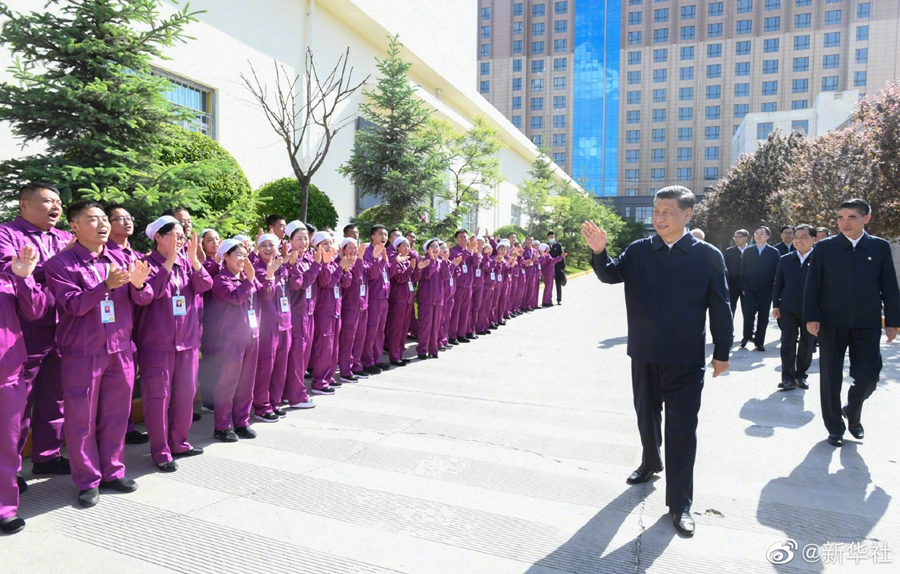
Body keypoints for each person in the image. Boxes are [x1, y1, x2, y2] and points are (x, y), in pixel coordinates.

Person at [582, 186, 732, 538]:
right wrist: (600, 252)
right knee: (646, 416)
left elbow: (720, 306)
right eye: (656, 211)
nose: (659, 218)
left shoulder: (707, 256)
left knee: (682, 431)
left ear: (687, 214)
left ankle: (679, 504)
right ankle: (650, 462)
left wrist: (722, 353)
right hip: (644, 353)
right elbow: (610, 274)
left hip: (685, 359)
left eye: (667, 212)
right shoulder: (639, 250)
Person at [45, 200, 153, 508]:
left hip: (120, 348)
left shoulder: (122, 258)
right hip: (83, 351)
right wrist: (104, 286)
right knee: (81, 419)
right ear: (74, 226)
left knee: (117, 414)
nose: (103, 224)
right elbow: (72, 305)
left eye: (105, 218)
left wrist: (139, 285)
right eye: (93, 219)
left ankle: (113, 472)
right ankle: (87, 480)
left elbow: (144, 298)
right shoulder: (60, 264)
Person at [804, 198, 900, 447]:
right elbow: (812, 285)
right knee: (830, 378)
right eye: (840, 217)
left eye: (852, 217)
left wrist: (892, 321)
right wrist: (811, 316)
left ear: (866, 218)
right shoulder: (824, 248)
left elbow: (889, 286)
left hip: (867, 322)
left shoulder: (879, 247)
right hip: (831, 323)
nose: (844, 223)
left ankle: (852, 411)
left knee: (869, 376)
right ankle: (835, 427)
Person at [0, 182, 72, 478]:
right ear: (24, 205)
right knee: (19, 403)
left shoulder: (65, 237)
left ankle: (47, 456)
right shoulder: (7, 233)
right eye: (47, 201)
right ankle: (11, 471)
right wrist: (55, 265)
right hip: (25, 330)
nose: (56, 207)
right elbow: (11, 270)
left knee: (55, 396)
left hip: (63, 328)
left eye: (58, 202)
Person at [135, 217, 211, 471]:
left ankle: (179, 442)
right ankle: (160, 451)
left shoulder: (186, 263)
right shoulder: (145, 264)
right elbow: (146, 296)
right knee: (158, 398)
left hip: (187, 342)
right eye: (175, 236)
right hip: (157, 344)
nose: (180, 241)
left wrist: (194, 260)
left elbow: (205, 285)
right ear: (158, 237)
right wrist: (168, 262)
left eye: (182, 237)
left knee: (185, 394)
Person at [1, 245, 49, 534]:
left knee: (6, 446)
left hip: (7, 374)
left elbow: (35, 311)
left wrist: (24, 278)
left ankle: (4, 509)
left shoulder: (10, 275)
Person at [203, 238, 270, 443]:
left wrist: (269, 275)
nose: (243, 259)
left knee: (246, 382)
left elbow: (266, 294)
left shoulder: (247, 277)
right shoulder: (220, 280)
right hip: (231, 338)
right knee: (228, 382)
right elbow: (236, 298)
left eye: (244, 254)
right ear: (226, 256)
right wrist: (249, 279)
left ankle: (241, 422)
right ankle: (222, 426)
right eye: (238, 255)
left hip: (251, 335)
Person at [104, 204, 150, 445]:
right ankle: (107, 433)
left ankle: (126, 426)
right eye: (119, 218)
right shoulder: (103, 255)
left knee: (126, 384)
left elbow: (146, 295)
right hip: (107, 330)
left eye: (128, 217)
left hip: (132, 329)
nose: (127, 221)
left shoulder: (137, 257)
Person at [252, 234, 294, 423]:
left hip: (284, 324)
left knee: (280, 366)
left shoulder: (282, 267)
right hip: (267, 326)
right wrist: (271, 273)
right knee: (265, 367)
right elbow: (266, 295)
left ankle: (274, 402)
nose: (268, 249)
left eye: (272, 245)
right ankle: (262, 406)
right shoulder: (257, 269)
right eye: (263, 245)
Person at [772, 225, 816, 391]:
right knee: (787, 342)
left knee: (807, 344)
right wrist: (776, 305)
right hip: (788, 308)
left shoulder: (820, 259)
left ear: (813, 239)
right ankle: (787, 378)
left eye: (804, 237)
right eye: (797, 237)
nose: (799, 240)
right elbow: (778, 283)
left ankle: (801, 375)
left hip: (810, 310)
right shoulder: (785, 259)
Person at [309, 231, 354, 394]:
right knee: (324, 346)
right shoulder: (318, 263)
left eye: (330, 243)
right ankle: (319, 382)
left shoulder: (335, 262)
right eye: (324, 244)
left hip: (335, 309)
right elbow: (327, 282)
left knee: (333, 346)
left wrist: (346, 270)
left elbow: (346, 283)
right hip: (324, 311)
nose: (329, 246)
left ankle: (328, 377)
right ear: (317, 247)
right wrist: (340, 269)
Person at [283, 221, 320, 409]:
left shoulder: (307, 258)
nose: (303, 242)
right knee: (297, 356)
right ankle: (296, 397)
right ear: (290, 241)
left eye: (306, 238)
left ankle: (290, 393)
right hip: (297, 314)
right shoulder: (292, 260)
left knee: (303, 355)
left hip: (308, 312)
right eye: (299, 238)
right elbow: (298, 284)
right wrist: (316, 266)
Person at [740, 226, 780, 351]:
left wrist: (776, 289)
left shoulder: (773, 252)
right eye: (756, 233)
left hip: (766, 289)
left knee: (763, 316)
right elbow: (743, 270)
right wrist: (743, 286)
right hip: (750, 288)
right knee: (748, 313)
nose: (758, 235)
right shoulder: (748, 251)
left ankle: (759, 341)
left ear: (768, 236)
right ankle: (746, 337)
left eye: (762, 233)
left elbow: (777, 272)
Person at [385, 236, 419, 365]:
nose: (407, 248)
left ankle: (399, 353)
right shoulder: (395, 261)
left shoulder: (407, 261)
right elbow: (400, 278)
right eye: (404, 245)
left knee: (404, 329)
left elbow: (413, 280)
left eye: (408, 246)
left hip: (408, 299)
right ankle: (394, 356)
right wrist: (411, 268)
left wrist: (418, 268)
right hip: (398, 299)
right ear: (397, 247)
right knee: (396, 329)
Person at [362, 226, 392, 374]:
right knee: (372, 329)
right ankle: (367, 360)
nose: (384, 237)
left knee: (380, 330)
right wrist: (376, 258)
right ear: (372, 236)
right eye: (380, 234)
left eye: (385, 234)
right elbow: (372, 275)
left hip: (384, 297)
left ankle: (376, 358)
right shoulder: (368, 252)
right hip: (374, 297)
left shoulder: (383, 252)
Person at [723, 230, 749, 318]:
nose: (736, 239)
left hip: (747, 285)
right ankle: (729, 326)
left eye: (739, 237)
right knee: (730, 309)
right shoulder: (729, 251)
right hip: (732, 284)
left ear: (746, 238)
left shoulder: (751, 251)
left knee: (748, 310)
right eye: (735, 237)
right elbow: (725, 268)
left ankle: (749, 326)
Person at [539, 243, 566, 307]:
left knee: (550, 287)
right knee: (548, 287)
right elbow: (553, 261)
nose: (549, 248)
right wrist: (560, 257)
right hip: (548, 272)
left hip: (550, 272)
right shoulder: (546, 255)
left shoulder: (547, 254)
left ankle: (548, 301)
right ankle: (545, 301)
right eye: (547, 247)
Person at [547, 231, 566, 305]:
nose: (552, 238)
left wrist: (563, 266)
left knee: (558, 283)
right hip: (549, 267)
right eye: (551, 237)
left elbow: (562, 255)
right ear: (548, 237)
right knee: (549, 284)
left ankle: (559, 299)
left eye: (553, 237)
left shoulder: (558, 245)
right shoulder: (546, 246)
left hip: (557, 267)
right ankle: (549, 300)